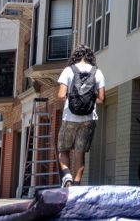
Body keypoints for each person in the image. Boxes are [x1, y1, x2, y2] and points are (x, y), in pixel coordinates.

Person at [56, 44, 105, 188]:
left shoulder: (68, 71)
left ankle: (67, 176)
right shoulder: (97, 72)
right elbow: (102, 99)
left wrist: (73, 101)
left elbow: (60, 95)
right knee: (80, 153)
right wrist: (89, 101)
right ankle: (77, 185)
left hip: (70, 117)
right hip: (89, 119)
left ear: (75, 56)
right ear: (90, 57)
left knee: (63, 150)